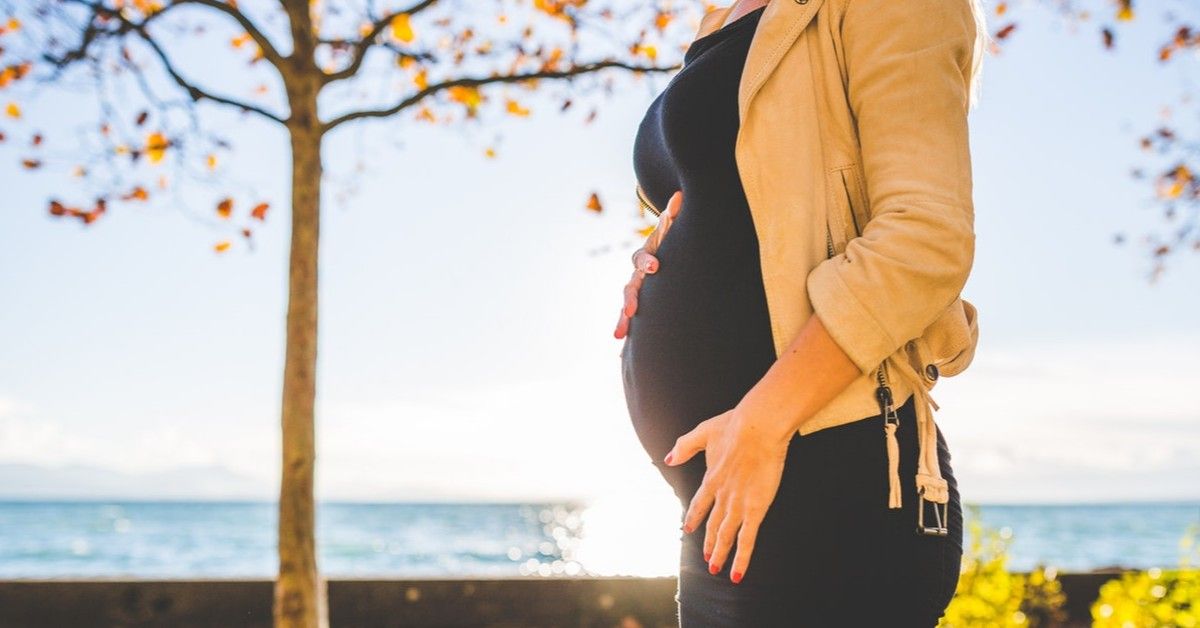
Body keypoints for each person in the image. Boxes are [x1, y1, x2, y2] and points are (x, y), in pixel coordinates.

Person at [614, 0, 988, 625]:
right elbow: (738, 205)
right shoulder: (724, 21)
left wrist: (761, 423)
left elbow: (925, 237)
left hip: (828, 477)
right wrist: (657, 256)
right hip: (730, 490)